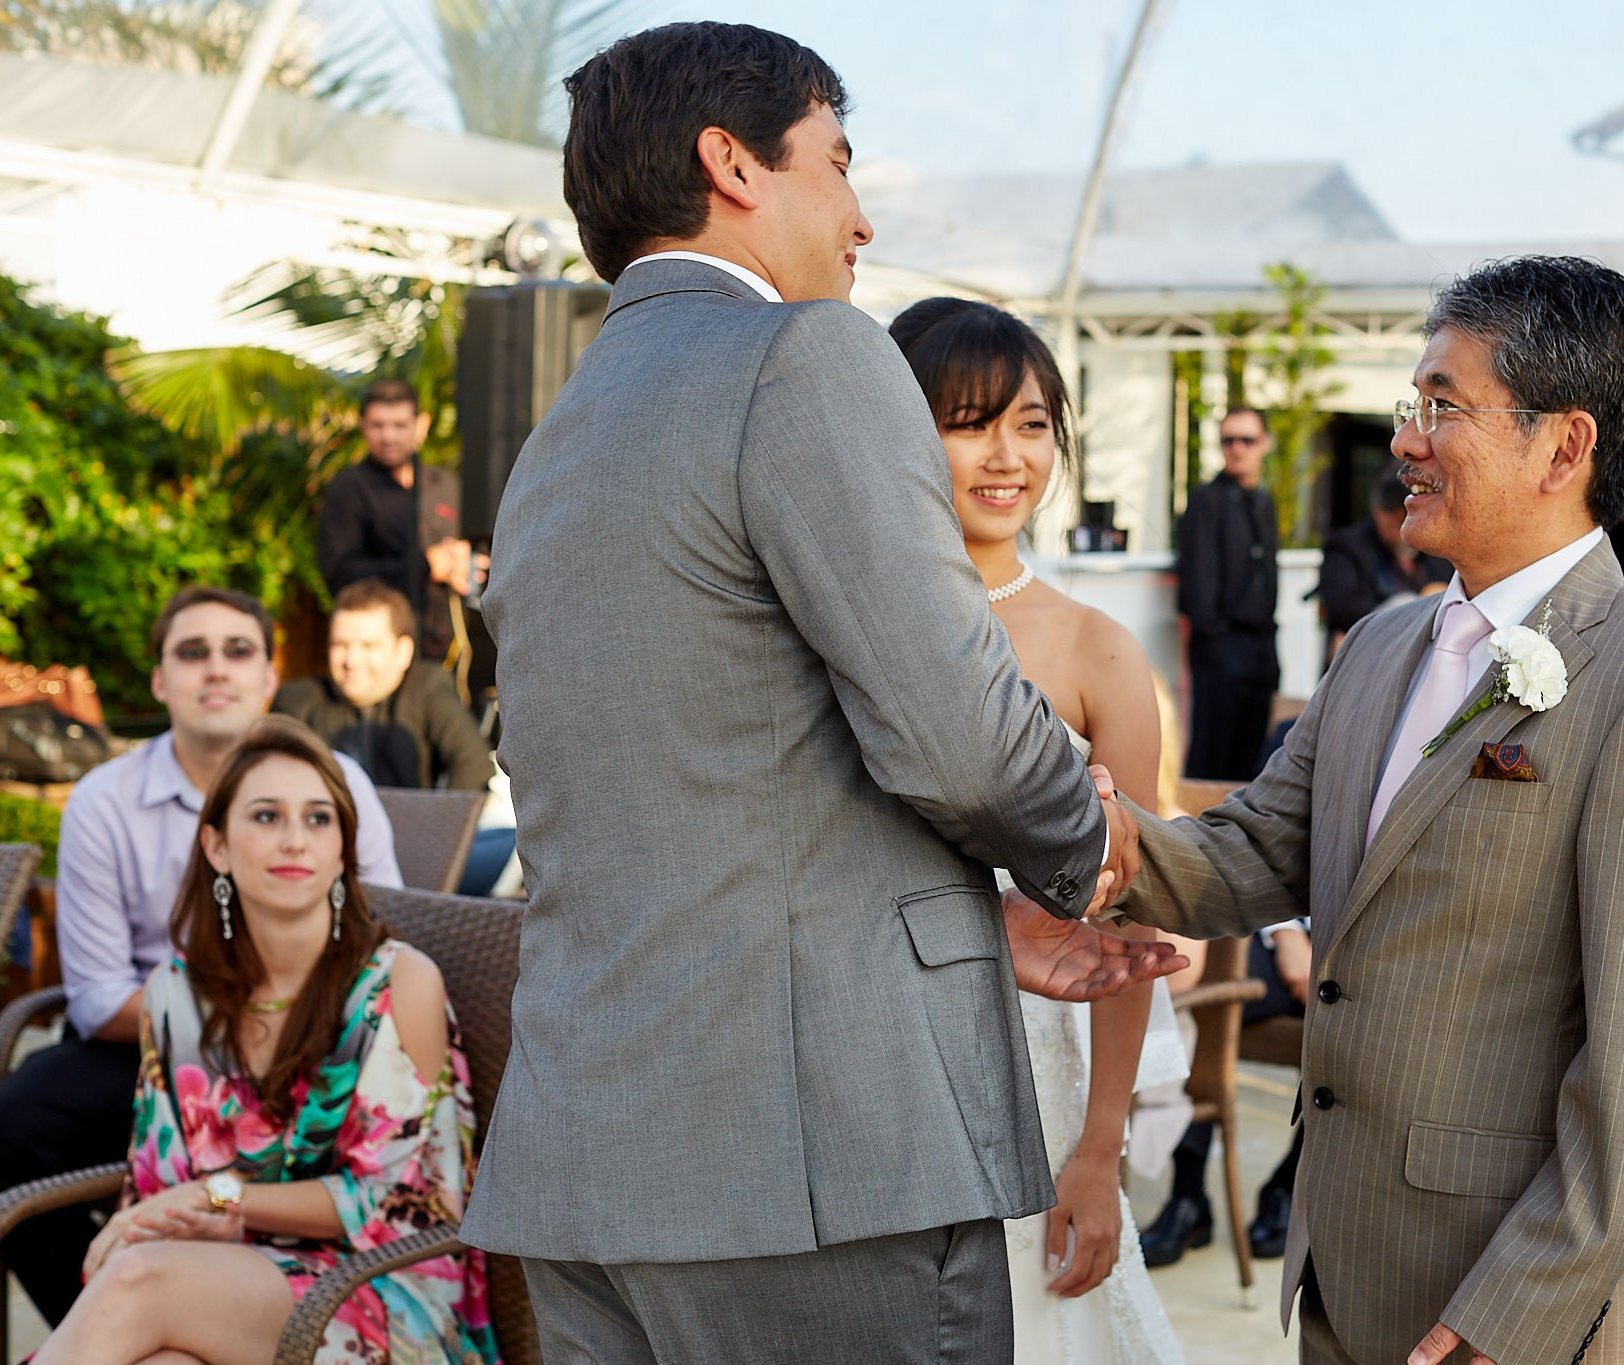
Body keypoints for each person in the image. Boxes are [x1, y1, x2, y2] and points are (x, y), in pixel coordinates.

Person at [459, 23, 1171, 1363]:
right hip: (814, 1165)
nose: (861, 216)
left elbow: (694, 785)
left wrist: (976, 920)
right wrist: (1088, 844)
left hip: (587, 1163)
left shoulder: (558, 438)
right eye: (837, 163)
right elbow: (959, 731)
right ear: (732, 165)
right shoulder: (807, 356)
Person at [1094, 256, 1624, 1365]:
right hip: (1343, 1266)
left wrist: (1514, 1313)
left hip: (1517, 1311)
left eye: (1442, 407)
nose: (1405, 440)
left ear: (1563, 446)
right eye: (1413, 403)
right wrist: (1085, 833)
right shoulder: (1379, 643)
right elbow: (1251, 852)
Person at [0, 587, 403, 1324]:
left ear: (269, 676)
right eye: (192, 652)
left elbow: (384, 932)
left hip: (311, 1040)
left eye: (238, 650)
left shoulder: (337, 782)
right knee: (2, 1140)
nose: (216, 668)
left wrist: (279, 1025)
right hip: (147, 1048)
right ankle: (112, 1323)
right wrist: (220, 1020)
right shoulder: (104, 799)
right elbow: (98, 998)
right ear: (161, 680)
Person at [890, 295, 1187, 1363]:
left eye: (1029, 424)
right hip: (873, 1065)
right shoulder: (841, 629)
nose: (1006, 456)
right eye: (967, 423)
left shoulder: (1095, 648)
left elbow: (1132, 922)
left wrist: (1098, 1150)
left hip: (1035, 1079)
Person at [33, 717, 496, 1365]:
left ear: (343, 848)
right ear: (217, 846)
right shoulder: (174, 993)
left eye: (318, 819)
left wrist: (222, 1196)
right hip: (224, 1278)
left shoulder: (398, 983)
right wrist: (184, 1218)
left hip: (381, 1288)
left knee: (139, 1280)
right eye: (267, 816)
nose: (295, 839)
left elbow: (398, 1202)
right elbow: (161, 1180)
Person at [1139, 920, 1310, 1267]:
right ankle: (1188, 1195)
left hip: (1366, 951)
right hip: (1277, 928)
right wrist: (1287, 932)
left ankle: (1290, 1187)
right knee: (1202, 981)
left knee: (1361, 1031)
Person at [276, 579, 492, 792]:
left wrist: (436, 813)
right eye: (340, 645)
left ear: (403, 651)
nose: (352, 660)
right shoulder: (298, 702)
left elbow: (474, 763)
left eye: (368, 646)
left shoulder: (426, 687)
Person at [317, 378, 479, 661]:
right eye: (378, 426)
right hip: (384, 649)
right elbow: (340, 574)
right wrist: (425, 566)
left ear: (422, 425)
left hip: (455, 644)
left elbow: (481, 544)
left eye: (400, 425)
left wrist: (467, 563)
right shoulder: (349, 488)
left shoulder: (447, 484)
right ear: (363, 425)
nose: (389, 437)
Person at [1177, 406, 1282, 778]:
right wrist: (1215, 639)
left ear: (1264, 444)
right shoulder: (1206, 500)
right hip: (1221, 650)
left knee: (1253, 761)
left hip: (1261, 649)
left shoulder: (1264, 501)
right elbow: (1197, 583)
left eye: (1247, 440)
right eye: (1228, 440)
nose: (1237, 448)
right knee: (1212, 759)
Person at [1314, 467, 1451, 659]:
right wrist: (1418, 605)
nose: (1407, 530)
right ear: (1380, 513)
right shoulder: (1346, 548)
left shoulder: (1434, 551)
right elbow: (1346, 613)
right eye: (1400, 520)